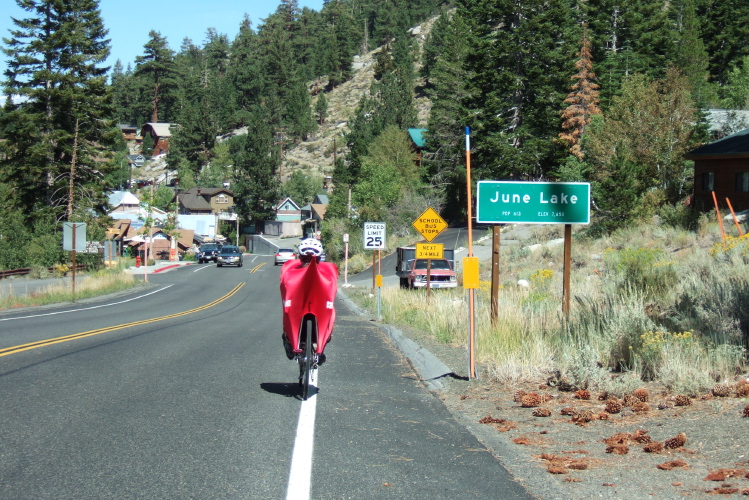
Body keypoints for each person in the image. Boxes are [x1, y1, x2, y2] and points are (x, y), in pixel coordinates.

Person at [280, 238, 338, 365]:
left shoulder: (327, 270)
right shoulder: (291, 269)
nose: (308, 262)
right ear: (300, 257)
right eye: (305, 258)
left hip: (317, 304)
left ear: (318, 259)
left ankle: (321, 349)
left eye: (312, 259)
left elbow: (332, 287)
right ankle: (289, 340)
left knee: (331, 314)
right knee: (286, 310)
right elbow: (284, 287)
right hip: (297, 305)